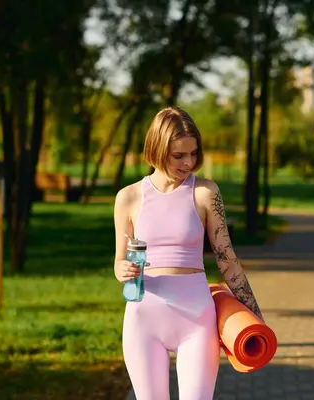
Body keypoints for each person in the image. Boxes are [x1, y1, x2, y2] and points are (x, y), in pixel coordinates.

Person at [112, 106, 264, 400]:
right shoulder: (128, 197)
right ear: (156, 150)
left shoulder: (205, 192)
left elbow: (227, 259)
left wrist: (255, 316)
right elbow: (119, 262)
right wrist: (122, 271)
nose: (189, 163)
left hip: (196, 319)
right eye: (178, 156)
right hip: (144, 318)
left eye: (193, 154)